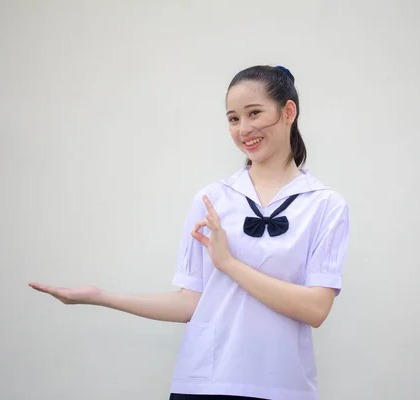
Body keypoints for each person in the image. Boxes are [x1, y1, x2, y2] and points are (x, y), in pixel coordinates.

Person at [29, 65, 350, 400]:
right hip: (204, 383)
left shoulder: (325, 205)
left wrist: (229, 264)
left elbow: (315, 310)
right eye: (233, 118)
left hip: (284, 387)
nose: (244, 129)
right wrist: (101, 297)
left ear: (288, 112)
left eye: (254, 113)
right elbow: (189, 304)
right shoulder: (212, 199)